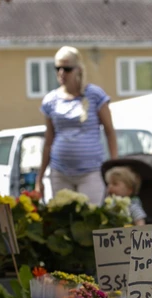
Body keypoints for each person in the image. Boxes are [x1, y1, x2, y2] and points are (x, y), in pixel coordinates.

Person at [35, 46, 118, 204]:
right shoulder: (51, 100)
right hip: (60, 171)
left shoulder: (94, 95)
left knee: (89, 219)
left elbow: (110, 132)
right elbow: (48, 141)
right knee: (63, 220)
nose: (61, 73)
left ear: (78, 69)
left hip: (91, 172)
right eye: (57, 68)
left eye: (67, 69)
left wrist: (113, 168)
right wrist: (40, 177)